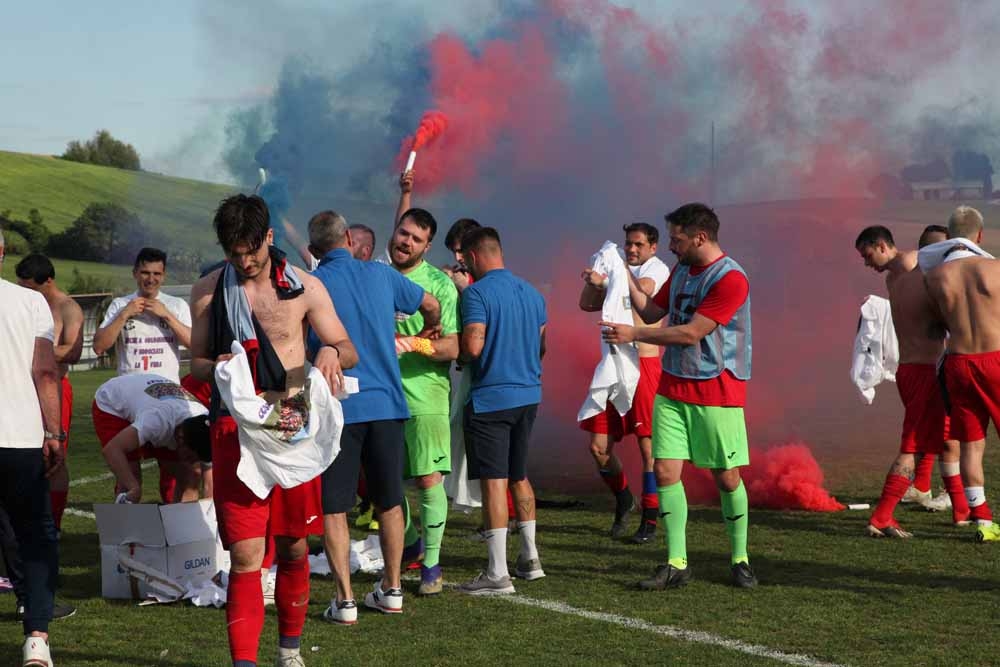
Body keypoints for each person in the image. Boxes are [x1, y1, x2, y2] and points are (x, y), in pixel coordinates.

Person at [190, 194, 357, 667]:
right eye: (233, 254)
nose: (244, 262)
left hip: (291, 423)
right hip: (235, 427)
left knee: (294, 546)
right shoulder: (208, 291)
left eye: (252, 252)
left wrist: (330, 352)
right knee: (246, 555)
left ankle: (289, 651)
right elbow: (196, 361)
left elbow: (347, 347)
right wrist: (220, 368)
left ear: (268, 238)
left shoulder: (304, 287)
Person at [600, 203, 757, 590]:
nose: (671, 246)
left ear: (700, 237)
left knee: (727, 478)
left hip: (717, 391)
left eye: (677, 238)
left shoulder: (731, 278)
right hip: (672, 387)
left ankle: (740, 558)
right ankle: (676, 562)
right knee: (665, 472)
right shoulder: (682, 270)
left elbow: (691, 333)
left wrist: (634, 334)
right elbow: (653, 310)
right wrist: (622, 274)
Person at [306, 210, 441, 623]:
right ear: (348, 238)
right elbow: (431, 304)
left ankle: (345, 600)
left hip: (339, 409)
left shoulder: (312, 283)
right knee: (389, 501)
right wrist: (428, 331)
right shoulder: (382, 274)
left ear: (312, 249)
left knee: (335, 506)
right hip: (386, 404)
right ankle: (393, 589)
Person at [854, 226, 969, 537]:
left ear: (882, 245)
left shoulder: (911, 268)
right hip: (922, 372)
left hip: (917, 371)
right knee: (914, 446)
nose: (867, 263)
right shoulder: (901, 275)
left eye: (867, 255)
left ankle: (961, 512)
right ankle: (882, 517)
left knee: (945, 440)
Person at [457, 227, 547, 596]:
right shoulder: (533, 292)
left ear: (473, 256)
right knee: (518, 475)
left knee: (494, 481)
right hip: (528, 394)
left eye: (465, 261)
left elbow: (473, 346)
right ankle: (530, 559)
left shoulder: (476, 293)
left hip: (491, 399)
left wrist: (459, 355)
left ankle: (497, 572)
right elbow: (542, 345)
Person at [579, 223, 670, 543]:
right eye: (628, 244)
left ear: (653, 247)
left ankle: (650, 519)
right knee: (598, 447)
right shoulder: (615, 266)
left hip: (644, 365)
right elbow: (586, 303)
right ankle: (624, 499)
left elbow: (642, 290)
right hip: (613, 365)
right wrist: (594, 280)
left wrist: (607, 278)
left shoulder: (657, 268)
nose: (631, 249)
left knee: (649, 448)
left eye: (638, 245)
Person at [389, 205, 460, 596]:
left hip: (426, 394)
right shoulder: (377, 276)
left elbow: (452, 347)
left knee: (427, 477)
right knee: (381, 480)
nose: (407, 242)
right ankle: (411, 542)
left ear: (427, 246)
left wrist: (411, 344)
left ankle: (431, 564)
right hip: (381, 393)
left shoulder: (439, 284)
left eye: (416, 239)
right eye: (404, 233)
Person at [0, 231, 63, 666]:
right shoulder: (30, 302)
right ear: (3, 253)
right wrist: (55, 432)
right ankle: (37, 638)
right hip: (20, 437)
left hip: (20, 436)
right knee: (36, 536)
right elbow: (44, 371)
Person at [93, 247, 192, 504]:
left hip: (167, 400)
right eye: (145, 273)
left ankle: (176, 526)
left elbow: (194, 343)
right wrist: (124, 314)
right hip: (128, 402)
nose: (151, 279)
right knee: (129, 477)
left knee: (175, 476)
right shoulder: (120, 305)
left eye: (157, 274)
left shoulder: (176, 305)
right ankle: (128, 528)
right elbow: (99, 346)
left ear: (164, 275)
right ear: (135, 273)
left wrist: (166, 315)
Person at [924, 206, 1000, 542]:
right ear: (979, 235)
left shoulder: (935, 277)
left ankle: (982, 519)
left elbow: (936, 323)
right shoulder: (994, 268)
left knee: (971, 444)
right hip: (994, 358)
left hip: (958, 363)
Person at [14, 254, 83, 531]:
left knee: (55, 456)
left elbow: (73, 351)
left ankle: (53, 523)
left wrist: (35, 350)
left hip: (55, 387)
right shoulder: (24, 304)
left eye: (30, 287)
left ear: (49, 281)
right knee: (22, 451)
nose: (25, 292)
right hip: (24, 388)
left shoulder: (68, 308)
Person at [93, 374, 211, 502]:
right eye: (191, 457)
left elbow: (210, 481)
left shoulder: (206, 423)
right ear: (181, 440)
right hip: (113, 403)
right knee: (131, 475)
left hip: (153, 403)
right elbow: (112, 450)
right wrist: (133, 487)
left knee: (190, 477)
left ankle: (180, 515)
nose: (193, 461)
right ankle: (123, 512)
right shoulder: (156, 420)